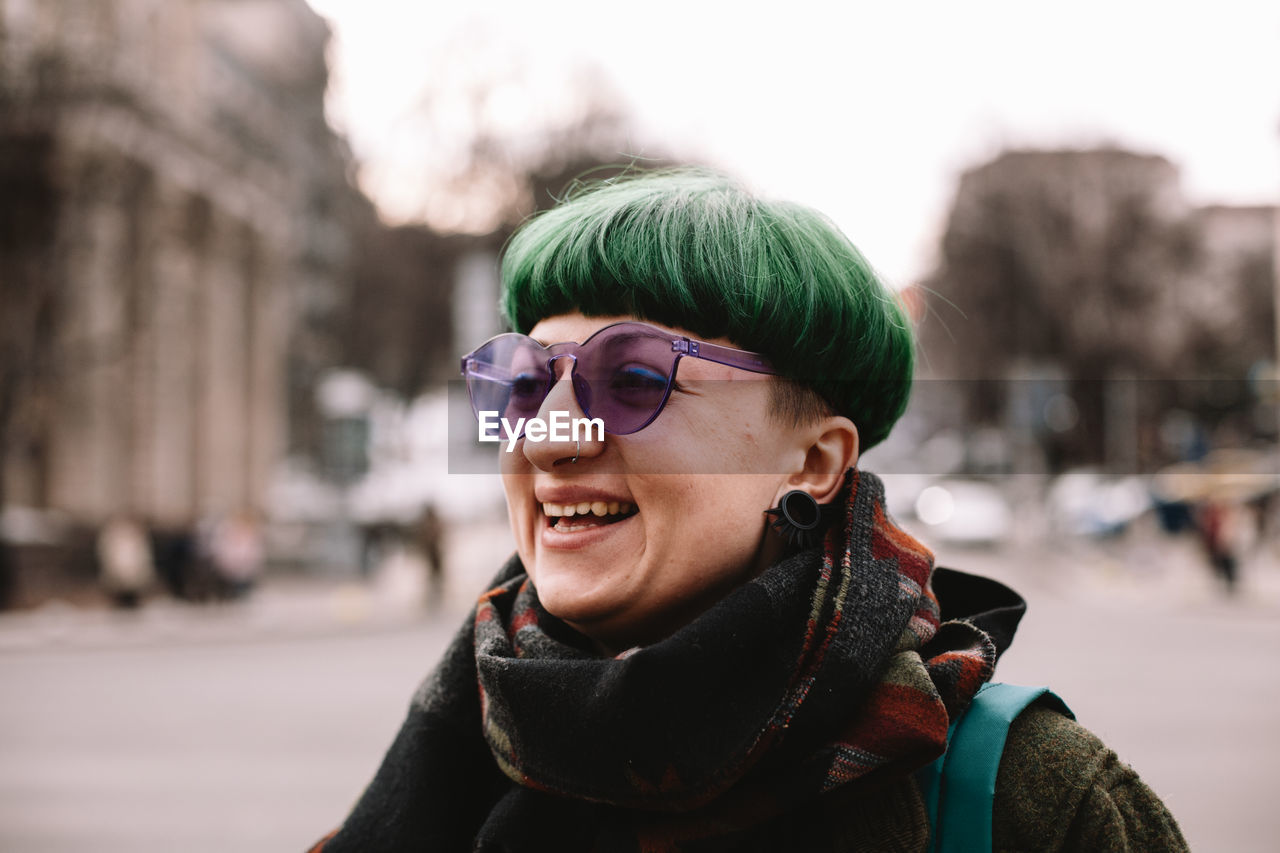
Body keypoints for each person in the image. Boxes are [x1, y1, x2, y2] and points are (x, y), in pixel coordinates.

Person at [311, 170, 1186, 851]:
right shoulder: (458, 757)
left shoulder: (1039, 803)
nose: (547, 439)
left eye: (635, 378)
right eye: (527, 381)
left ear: (812, 461)